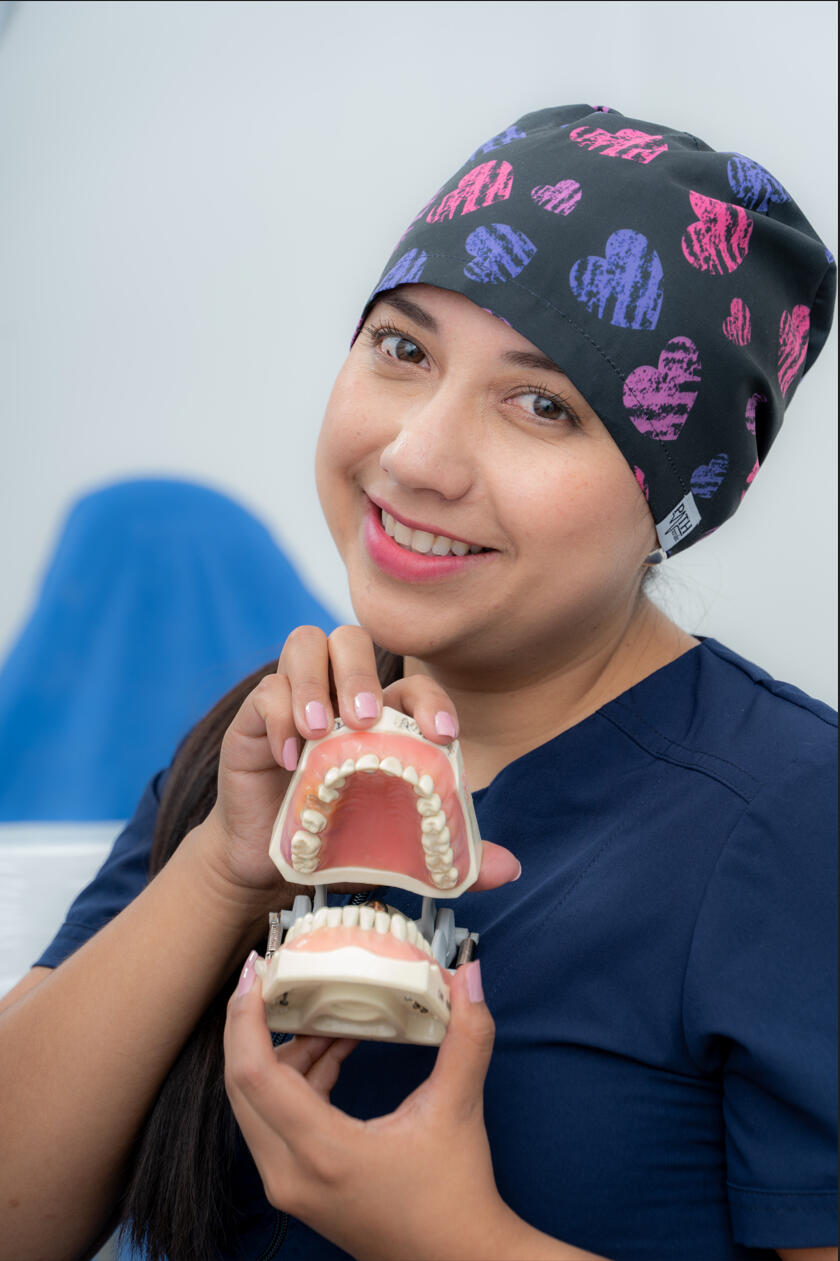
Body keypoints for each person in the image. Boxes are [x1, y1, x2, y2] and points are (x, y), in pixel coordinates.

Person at [0, 105, 836, 1261]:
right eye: (403, 349)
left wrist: (449, 1237)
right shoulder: (266, 749)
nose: (416, 458)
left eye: (544, 404)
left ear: (676, 496)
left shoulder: (796, 818)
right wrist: (224, 869)